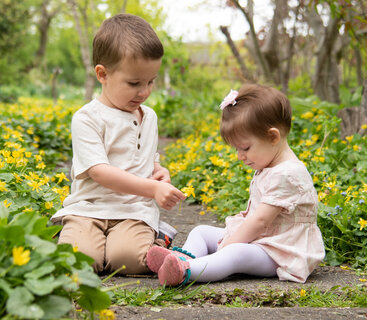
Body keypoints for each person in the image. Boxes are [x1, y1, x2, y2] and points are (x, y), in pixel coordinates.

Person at [146, 84, 325, 285]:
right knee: (201, 232)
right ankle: (182, 260)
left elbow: (260, 221)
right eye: (237, 149)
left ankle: (187, 271)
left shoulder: (288, 174)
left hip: (280, 251)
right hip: (263, 240)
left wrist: (228, 244)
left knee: (234, 253)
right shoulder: (272, 164)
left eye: (245, 148)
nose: (240, 156)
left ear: (273, 136)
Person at [51, 14, 186, 275]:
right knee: (80, 261)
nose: (144, 92)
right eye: (134, 83)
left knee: (127, 261)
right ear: (103, 74)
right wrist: (152, 188)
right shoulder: (87, 118)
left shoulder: (149, 117)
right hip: (87, 209)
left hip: (133, 211)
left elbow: (146, 156)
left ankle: (159, 240)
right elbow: (100, 171)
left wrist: (159, 171)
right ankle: (71, 236)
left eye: (150, 82)